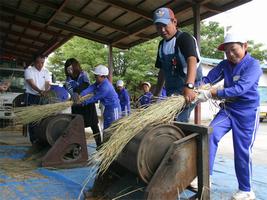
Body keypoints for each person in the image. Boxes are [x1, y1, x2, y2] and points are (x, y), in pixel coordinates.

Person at [198, 32, 262, 200]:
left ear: (245, 46)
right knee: (209, 134)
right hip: (228, 109)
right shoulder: (225, 64)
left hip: (247, 113)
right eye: (227, 52)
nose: (231, 55)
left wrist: (213, 93)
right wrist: (201, 87)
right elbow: (209, 78)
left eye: (234, 49)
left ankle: (246, 190)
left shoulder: (253, 65)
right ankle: (206, 179)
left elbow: (241, 89)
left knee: (242, 150)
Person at [152, 7, 202, 122]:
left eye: (165, 25)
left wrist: (189, 86)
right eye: (159, 27)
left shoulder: (184, 38)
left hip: (189, 88)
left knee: (178, 120)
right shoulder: (161, 45)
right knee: (163, 120)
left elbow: (192, 60)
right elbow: (162, 70)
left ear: (174, 22)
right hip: (172, 92)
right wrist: (156, 94)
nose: (162, 30)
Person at [64, 58, 101, 147]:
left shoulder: (84, 74)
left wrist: (78, 91)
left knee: (94, 125)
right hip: (77, 106)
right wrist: (73, 94)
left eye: (70, 68)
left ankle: (99, 145)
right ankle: (78, 148)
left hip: (88, 104)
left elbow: (86, 85)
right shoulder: (67, 81)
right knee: (78, 127)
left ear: (75, 67)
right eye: (67, 69)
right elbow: (70, 91)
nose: (69, 70)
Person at [80, 64, 121, 131]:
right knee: (106, 127)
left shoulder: (105, 87)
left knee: (113, 128)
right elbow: (91, 87)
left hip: (114, 109)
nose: (95, 77)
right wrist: (81, 94)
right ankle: (106, 140)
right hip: (107, 108)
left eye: (96, 76)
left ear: (102, 76)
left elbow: (95, 98)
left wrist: (83, 102)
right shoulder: (99, 82)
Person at [24, 55, 51, 145]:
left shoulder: (46, 71)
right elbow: (31, 84)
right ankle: (34, 140)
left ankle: (42, 139)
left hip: (43, 97)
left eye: (42, 62)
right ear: (34, 62)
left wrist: (46, 91)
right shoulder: (29, 71)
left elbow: (47, 83)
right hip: (32, 96)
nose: (41, 64)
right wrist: (40, 91)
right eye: (38, 62)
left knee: (43, 119)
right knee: (33, 119)